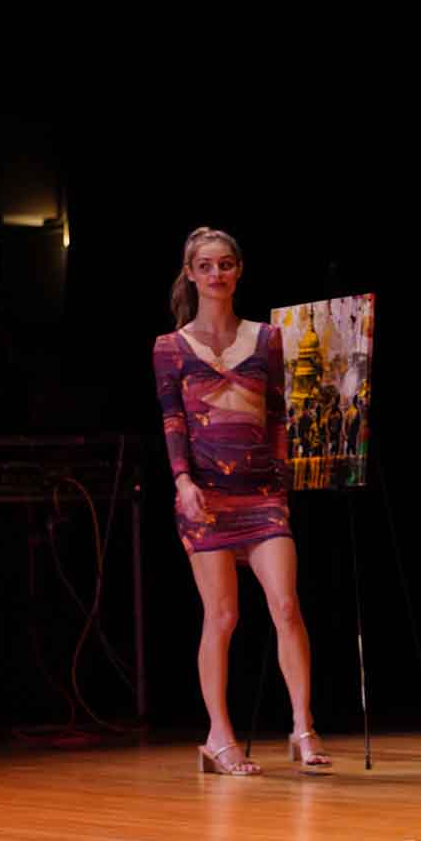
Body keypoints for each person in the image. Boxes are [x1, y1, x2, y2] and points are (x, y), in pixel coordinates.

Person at [152, 228, 330, 775]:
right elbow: (173, 421)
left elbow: (277, 414)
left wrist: (279, 480)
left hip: (261, 494)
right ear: (190, 274)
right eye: (206, 266)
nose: (217, 274)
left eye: (225, 264)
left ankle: (303, 726)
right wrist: (183, 481)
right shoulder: (170, 348)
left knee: (286, 605)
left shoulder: (266, 338)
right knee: (223, 615)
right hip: (206, 496)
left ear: (238, 270)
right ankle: (219, 736)